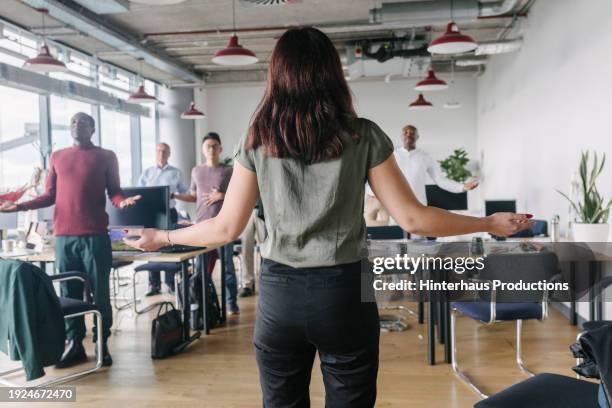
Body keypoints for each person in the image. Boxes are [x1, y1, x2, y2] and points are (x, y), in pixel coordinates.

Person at [124, 28, 532, 408]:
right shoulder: (363, 135)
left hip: (279, 296)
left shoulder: (257, 139)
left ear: (277, 76)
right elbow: (415, 219)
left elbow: (226, 228)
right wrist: (488, 223)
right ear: (332, 75)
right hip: (343, 294)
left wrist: (160, 237)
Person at [0, 112, 140, 368]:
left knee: (100, 294)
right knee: (68, 292)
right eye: (74, 121)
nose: (78, 124)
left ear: (93, 128)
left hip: (96, 237)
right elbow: (49, 195)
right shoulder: (57, 157)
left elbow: (115, 192)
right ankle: (75, 344)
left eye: (84, 121)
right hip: (64, 238)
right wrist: (18, 206)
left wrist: (123, 201)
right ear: (70, 128)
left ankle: (102, 344)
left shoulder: (106, 156)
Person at [173, 132, 239, 314]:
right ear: (203, 149)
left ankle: (231, 303)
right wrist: (175, 195)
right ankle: (204, 302)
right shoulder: (196, 171)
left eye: (214, 146)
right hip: (201, 226)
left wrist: (222, 195)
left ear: (220, 149)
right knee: (201, 270)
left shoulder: (228, 170)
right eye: (208, 146)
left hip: (223, 225)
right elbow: (194, 196)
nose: (211, 149)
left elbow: (239, 195)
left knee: (227, 268)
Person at [137, 142, 188, 296]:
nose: (161, 153)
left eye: (165, 151)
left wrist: (175, 195)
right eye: (159, 150)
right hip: (151, 214)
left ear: (169, 154)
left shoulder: (176, 173)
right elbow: (138, 193)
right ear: (155, 152)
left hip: (170, 212)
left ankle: (171, 282)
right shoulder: (147, 173)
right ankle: (154, 285)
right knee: (151, 246)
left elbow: (185, 192)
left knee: (168, 246)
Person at [238, 198, 266, 297]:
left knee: (265, 249)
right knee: (246, 249)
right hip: (247, 211)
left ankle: (265, 281)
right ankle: (248, 284)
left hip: (264, 210)